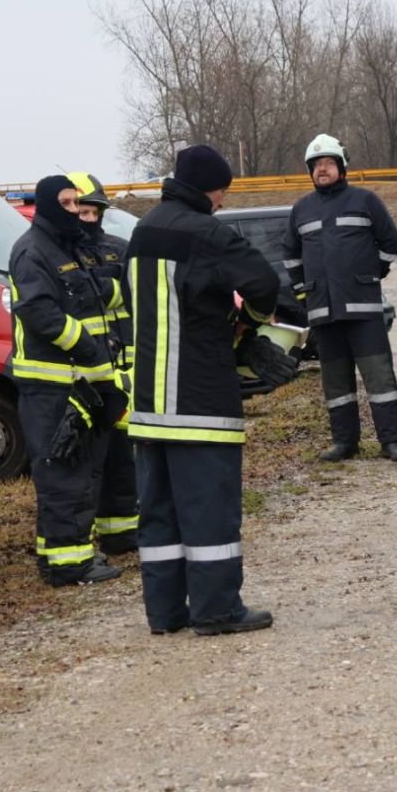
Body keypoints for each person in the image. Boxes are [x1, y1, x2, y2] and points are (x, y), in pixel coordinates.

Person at [125, 145, 283, 634]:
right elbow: (264, 283)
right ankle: (216, 609)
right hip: (199, 397)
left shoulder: (141, 231)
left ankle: (166, 612)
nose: (222, 201)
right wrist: (246, 324)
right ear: (210, 188)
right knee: (208, 508)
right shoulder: (208, 233)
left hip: (150, 402)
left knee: (160, 515)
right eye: (222, 192)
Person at [8, 173, 124, 585]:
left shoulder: (70, 247)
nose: (76, 210)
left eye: (78, 203)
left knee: (83, 470)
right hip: (51, 386)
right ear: (48, 205)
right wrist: (88, 347)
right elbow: (40, 312)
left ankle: (66, 554)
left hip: (81, 382)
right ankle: (67, 564)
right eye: (69, 203)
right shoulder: (32, 251)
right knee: (62, 472)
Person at [282, 134, 397, 462]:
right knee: (335, 383)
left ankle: (391, 440)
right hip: (324, 311)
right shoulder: (301, 209)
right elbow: (291, 256)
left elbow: (390, 244)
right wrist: (302, 290)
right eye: (316, 165)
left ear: (341, 167)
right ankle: (345, 442)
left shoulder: (365, 201)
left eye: (328, 164)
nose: (322, 170)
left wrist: (369, 276)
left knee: (380, 377)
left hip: (364, 310)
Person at [74, 174, 140, 556]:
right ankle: (82, 537)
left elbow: (134, 296)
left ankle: (121, 533)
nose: (86, 217)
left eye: (92, 210)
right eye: (80, 210)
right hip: (86, 373)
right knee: (89, 461)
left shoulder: (120, 249)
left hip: (124, 370)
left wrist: (109, 291)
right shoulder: (62, 256)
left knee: (122, 458)